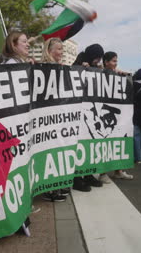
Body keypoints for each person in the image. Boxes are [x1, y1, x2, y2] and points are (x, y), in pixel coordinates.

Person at [39, 37, 70, 202]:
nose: (61, 52)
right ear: (49, 51)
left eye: (62, 49)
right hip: (47, 118)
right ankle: (49, 189)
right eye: (59, 49)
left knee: (57, 152)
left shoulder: (60, 68)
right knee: (49, 153)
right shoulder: (43, 69)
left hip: (58, 117)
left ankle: (56, 185)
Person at [71, 44, 105, 192]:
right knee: (79, 146)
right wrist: (81, 67)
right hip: (79, 114)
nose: (98, 60)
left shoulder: (96, 68)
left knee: (89, 146)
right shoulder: (77, 65)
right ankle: (76, 179)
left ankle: (88, 174)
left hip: (92, 112)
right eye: (97, 57)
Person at [99, 51, 134, 182]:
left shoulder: (117, 75)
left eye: (116, 60)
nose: (116, 63)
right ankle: (102, 173)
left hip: (118, 114)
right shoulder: (101, 75)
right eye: (113, 61)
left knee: (118, 143)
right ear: (106, 62)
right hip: (107, 114)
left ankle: (118, 170)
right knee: (105, 143)